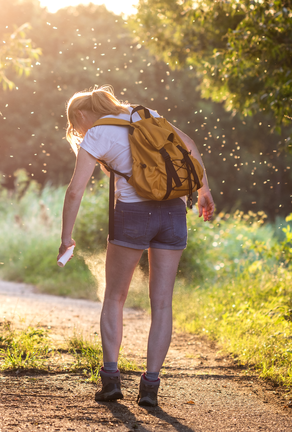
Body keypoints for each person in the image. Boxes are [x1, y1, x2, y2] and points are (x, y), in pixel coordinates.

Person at [57, 85, 215, 406]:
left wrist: (66, 236)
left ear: (81, 116)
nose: (78, 132)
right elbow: (190, 145)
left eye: (76, 126)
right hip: (173, 212)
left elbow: (75, 191)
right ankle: (150, 388)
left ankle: (112, 382)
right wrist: (203, 191)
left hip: (132, 214)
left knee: (115, 296)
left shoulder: (97, 133)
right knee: (162, 304)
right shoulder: (146, 115)